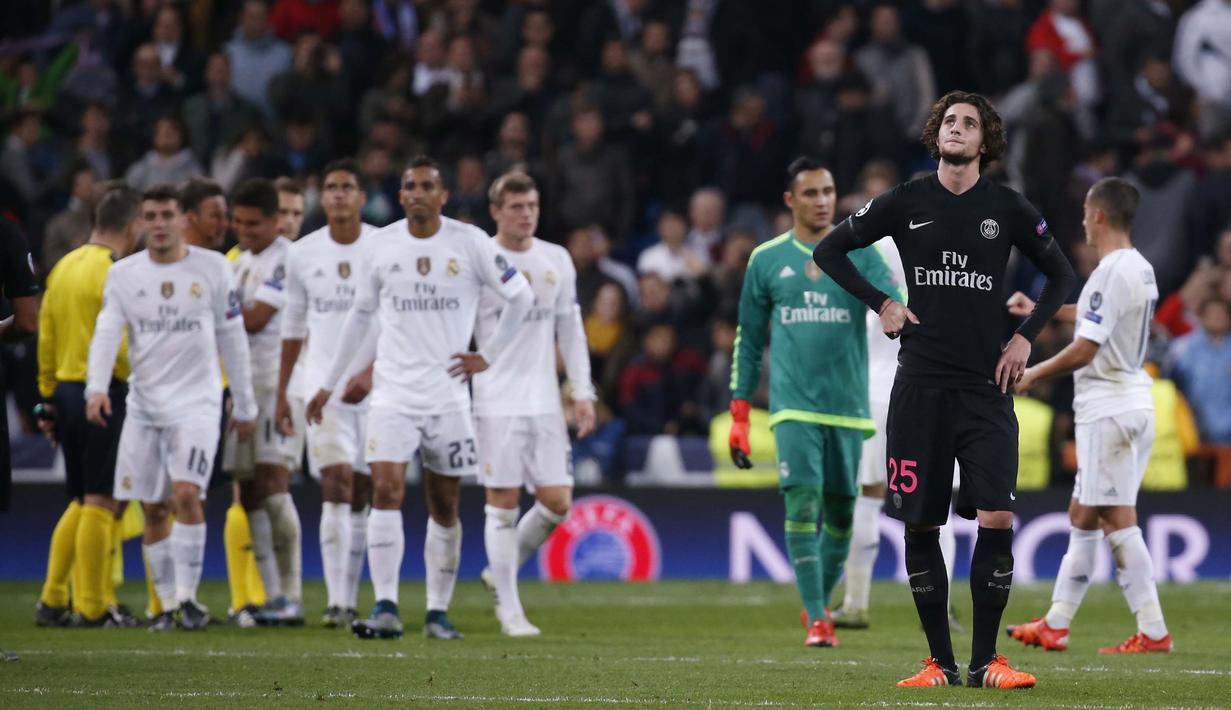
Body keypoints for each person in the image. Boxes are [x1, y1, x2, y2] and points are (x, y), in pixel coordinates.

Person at [813, 90, 1076, 688]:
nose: (957, 128)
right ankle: (940, 662)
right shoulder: (906, 200)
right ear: (936, 134)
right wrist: (882, 302)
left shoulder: (1007, 206)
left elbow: (1062, 273)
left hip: (986, 388)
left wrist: (1025, 337)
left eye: (969, 123)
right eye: (949, 121)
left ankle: (986, 662)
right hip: (919, 388)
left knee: (997, 517)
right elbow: (830, 250)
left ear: (986, 142)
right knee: (921, 524)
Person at [305, 156, 533, 641]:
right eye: (410, 186)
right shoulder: (381, 245)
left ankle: (436, 612)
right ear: (401, 194)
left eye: (428, 186)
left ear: (443, 195)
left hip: (447, 397)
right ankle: (385, 605)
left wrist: (488, 355)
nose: (418, 193)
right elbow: (359, 317)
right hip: (392, 394)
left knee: (444, 504)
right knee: (385, 491)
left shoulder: (470, 242)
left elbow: (522, 296)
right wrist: (327, 384)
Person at [728, 157, 902, 648]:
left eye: (828, 191)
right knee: (803, 501)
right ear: (790, 200)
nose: (822, 201)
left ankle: (818, 605)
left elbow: (893, 298)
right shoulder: (766, 259)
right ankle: (818, 620)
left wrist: (894, 309)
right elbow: (749, 339)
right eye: (810, 193)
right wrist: (740, 413)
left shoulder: (860, 252)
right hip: (793, 406)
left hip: (848, 405)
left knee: (843, 514)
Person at [1004, 177, 1171, 654]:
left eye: (1084, 213)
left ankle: (1153, 631)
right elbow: (1101, 315)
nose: (1082, 222)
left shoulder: (1108, 272)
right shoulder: (1138, 268)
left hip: (1107, 409)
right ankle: (1056, 622)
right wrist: (1043, 309)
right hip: (1133, 401)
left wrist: (1033, 374)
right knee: (1084, 512)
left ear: (1098, 215)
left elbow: (1086, 348)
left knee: (1116, 518)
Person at [85, 184, 257, 631]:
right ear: (140, 222)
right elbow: (107, 331)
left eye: (167, 215)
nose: (159, 224)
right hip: (144, 406)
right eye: (151, 216)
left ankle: (187, 599)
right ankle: (164, 606)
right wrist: (96, 388)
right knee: (154, 507)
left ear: (184, 219)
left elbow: (233, 337)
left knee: (186, 494)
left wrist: (245, 402)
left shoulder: (214, 269)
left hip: (197, 403)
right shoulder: (124, 274)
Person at [472, 172, 596, 636]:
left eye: (532, 206)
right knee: (502, 503)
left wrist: (582, 391)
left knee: (557, 502)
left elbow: (571, 330)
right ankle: (510, 611)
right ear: (496, 211)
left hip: (543, 398)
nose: (526, 215)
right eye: (516, 207)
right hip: (495, 398)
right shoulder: (480, 259)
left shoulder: (556, 258)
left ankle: (498, 574)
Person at [35, 185, 143, 628]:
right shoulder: (115, 272)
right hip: (104, 392)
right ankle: (94, 607)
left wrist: (47, 397)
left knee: (81, 498)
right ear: (133, 226)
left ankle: (53, 597)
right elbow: (120, 342)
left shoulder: (64, 266)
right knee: (103, 499)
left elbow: (46, 334)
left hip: (64, 388)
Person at [276, 159, 378, 627]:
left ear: (361, 197)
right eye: (331, 187)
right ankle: (338, 602)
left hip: (378, 390)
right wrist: (284, 391)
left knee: (363, 492)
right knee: (336, 483)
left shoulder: (383, 247)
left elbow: (400, 319)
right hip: (323, 389)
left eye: (347, 187)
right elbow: (293, 326)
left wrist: (373, 372)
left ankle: (351, 594)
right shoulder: (303, 254)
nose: (338, 194)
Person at [224, 178, 303, 626]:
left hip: (278, 386)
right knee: (250, 490)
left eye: (252, 223)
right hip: (244, 389)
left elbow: (255, 319)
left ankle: (292, 594)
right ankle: (273, 596)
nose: (243, 230)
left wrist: (215, 314)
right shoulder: (238, 264)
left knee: (274, 485)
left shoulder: (288, 260)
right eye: (238, 222)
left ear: (275, 221)